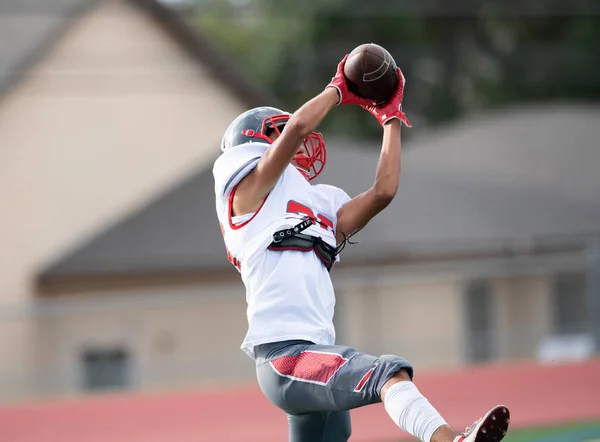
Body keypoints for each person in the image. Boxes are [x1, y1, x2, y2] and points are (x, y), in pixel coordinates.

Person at [213, 54, 510, 442]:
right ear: (256, 141)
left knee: (337, 432)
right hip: (284, 357)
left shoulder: (318, 202)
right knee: (388, 373)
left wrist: (390, 118)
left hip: (314, 354)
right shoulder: (245, 197)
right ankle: (450, 440)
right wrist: (339, 89)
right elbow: (301, 125)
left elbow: (383, 191)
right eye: (280, 131)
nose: (300, 143)